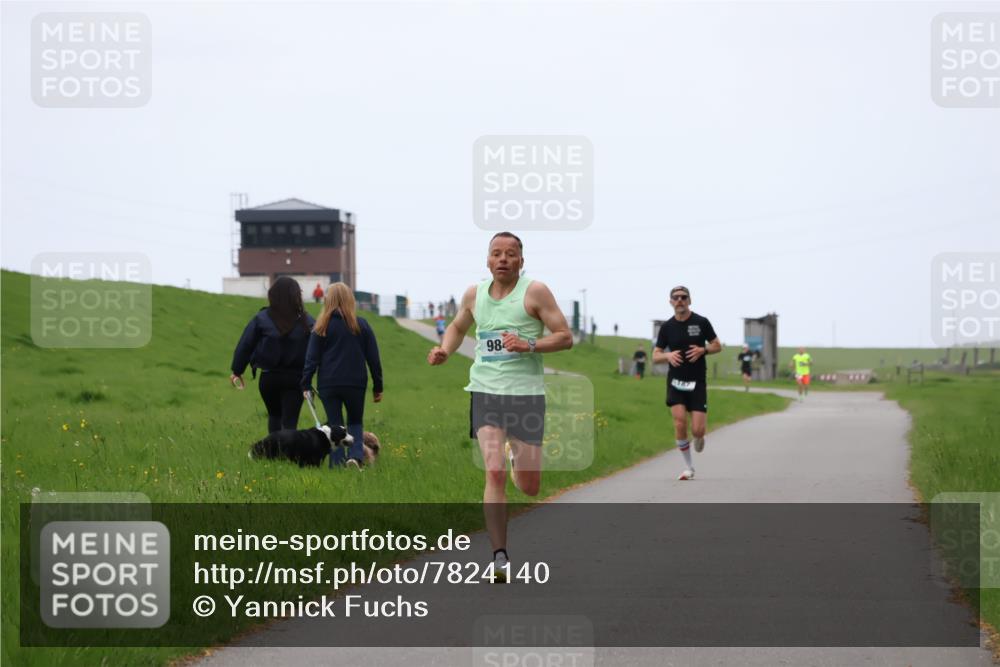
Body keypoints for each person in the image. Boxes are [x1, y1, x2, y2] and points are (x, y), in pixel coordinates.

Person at [427, 232, 572, 580]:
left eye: (511, 254)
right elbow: (458, 327)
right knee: (492, 472)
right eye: (497, 253)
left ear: (521, 261)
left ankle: (514, 458)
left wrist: (529, 345)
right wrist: (446, 349)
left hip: (525, 396)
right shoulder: (474, 295)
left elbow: (564, 337)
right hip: (485, 391)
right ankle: (499, 557)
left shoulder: (535, 292)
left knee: (529, 485)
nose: (503, 259)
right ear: (487, 260)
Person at [301, 282, 384, 470]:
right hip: (355, 383)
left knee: (334, 423)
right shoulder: (361, 325)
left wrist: (305, 384)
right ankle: (355, 458)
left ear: (327, 300)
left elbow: (311, 359)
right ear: (350, 300)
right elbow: (374, 359)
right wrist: (378, 386)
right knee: (355, 421)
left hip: (328, 384)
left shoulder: (321, 327)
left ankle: (336, 464)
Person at [652, 285, 722, 481]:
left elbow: (718, 345)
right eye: (676, 297)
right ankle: (688, 467)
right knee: (680, 421)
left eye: (684, 297)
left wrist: (703, 350)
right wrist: (667, 355)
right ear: (671, 302)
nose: (680, 300)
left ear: (689, 300)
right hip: (676, 381)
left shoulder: (701, 322)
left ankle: (699, 437)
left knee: (697, 430)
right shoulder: (667, 327)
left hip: (697, 381)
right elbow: (655, 355)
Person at [231, 277, 315, 433]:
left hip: (269, 378)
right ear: (297, 295)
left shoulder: (261, 318)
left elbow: (246, 344)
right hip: (296, 379)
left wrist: (237, 370)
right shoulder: (307, 321)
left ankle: (273, 454)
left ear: (273, 295)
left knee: (274, 417)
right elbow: (317, 350)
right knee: (290, 422)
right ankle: (287, 455)